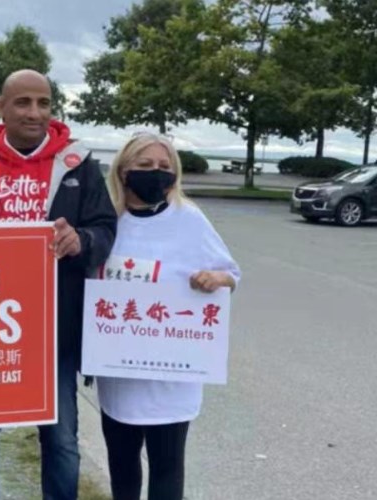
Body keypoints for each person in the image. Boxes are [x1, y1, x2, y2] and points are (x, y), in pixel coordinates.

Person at [0, 69, 118, 500]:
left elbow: (104, 229)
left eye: (43, 103)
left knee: (60, 439)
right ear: (0, 108)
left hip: (52, 330)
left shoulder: (79, 163)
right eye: (22, 103)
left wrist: (81, 240)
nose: (34, 113)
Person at [95, 133, 240, 500]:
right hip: (121, 372)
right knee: (123, 466)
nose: (155, 174)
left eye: (164, 167)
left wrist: (216, 278)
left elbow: (230, 273)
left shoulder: (188, 218)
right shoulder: (107, 221)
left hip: (173, 375)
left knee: (168, 467)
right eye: (144, 166)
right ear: (124, 170)